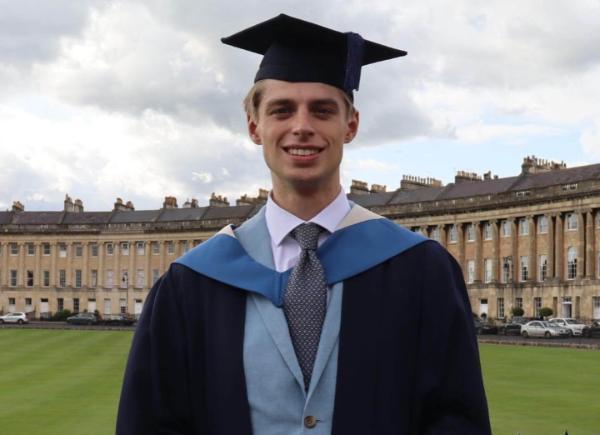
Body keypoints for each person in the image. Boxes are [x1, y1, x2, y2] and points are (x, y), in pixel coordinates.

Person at [117, 14, 491, 434]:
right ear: (254, 126)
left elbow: (456, 419)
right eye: (282, 110)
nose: (302, 127)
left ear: (350, 125)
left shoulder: (421, 271)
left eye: (322, 110)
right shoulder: (192, 284)